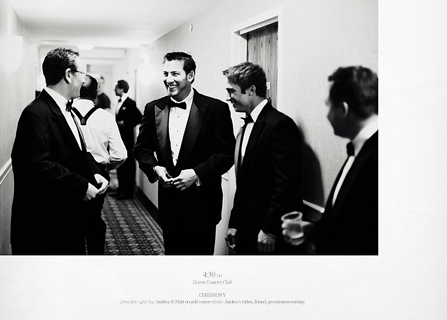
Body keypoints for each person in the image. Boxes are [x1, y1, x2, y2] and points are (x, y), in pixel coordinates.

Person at [132, 52, 235, 255]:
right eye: (166, 73)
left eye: (175, 74)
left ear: (190, 76)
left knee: (199, 265)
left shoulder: (215, 109)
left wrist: (197, 174)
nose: (168, 79)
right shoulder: (153, 108)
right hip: (169, 205)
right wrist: (155, 169)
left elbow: (226, 154)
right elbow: (141, 148)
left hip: (202, 205)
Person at [10, 48, 108, 255]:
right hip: (45, 227)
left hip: (67, 219)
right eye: (82, 73)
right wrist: (81, 186)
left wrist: (96, 173)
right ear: (68, 74)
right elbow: (36, 166)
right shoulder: (35, 113)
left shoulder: (66, 109)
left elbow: (78, 152)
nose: (84, 81)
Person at [282, 67, 378, 255]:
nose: (326, 115)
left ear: (343, 109)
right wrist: (315, 230)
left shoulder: (380, 158)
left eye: (328, 106)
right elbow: (351, 219)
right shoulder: (360, 149)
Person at [223, 62, 302, 255]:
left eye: (232, 91)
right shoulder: (246, 126)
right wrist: (235, 223)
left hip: (266, 232)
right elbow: (244, 184)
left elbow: (287, 184)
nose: (228, 98)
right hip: (245, 227)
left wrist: (270, 230)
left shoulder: (280, 125)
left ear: (251, 90)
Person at [71, 75, 127, 255]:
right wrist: (104, 168)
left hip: (68, 175)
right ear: (95, 94)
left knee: (70, 220)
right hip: (98, 177)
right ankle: (96, 260)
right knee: (94, 219)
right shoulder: (106, 117)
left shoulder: (64, 114)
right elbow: (121, 154)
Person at [112, 79, 141, 200]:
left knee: (128, 165)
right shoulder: (119, 102)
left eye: (116, 88)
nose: (114, 90)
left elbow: (139, 117)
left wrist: (125, 123)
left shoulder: (130, 103)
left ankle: (128, 192)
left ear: (122, 89)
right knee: (120, 163)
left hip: (128, 139)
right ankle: (120, 189)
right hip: (120, 138)